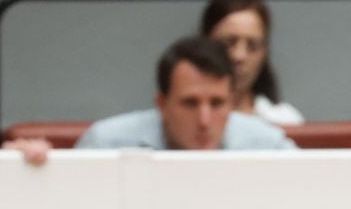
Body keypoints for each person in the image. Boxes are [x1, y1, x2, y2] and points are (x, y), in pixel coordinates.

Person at [76, 37, 295, 151]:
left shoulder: (266, 145)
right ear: (162, 104)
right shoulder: (106, 143)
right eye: (190, 103)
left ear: (231, 103)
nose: (204, 121)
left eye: (217, 103)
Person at [202, 0, 304, 126]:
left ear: (264, 53)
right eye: (229, 43)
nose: (239, 56)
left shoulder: (285, 121)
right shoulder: (184, 122)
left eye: (252, 46)